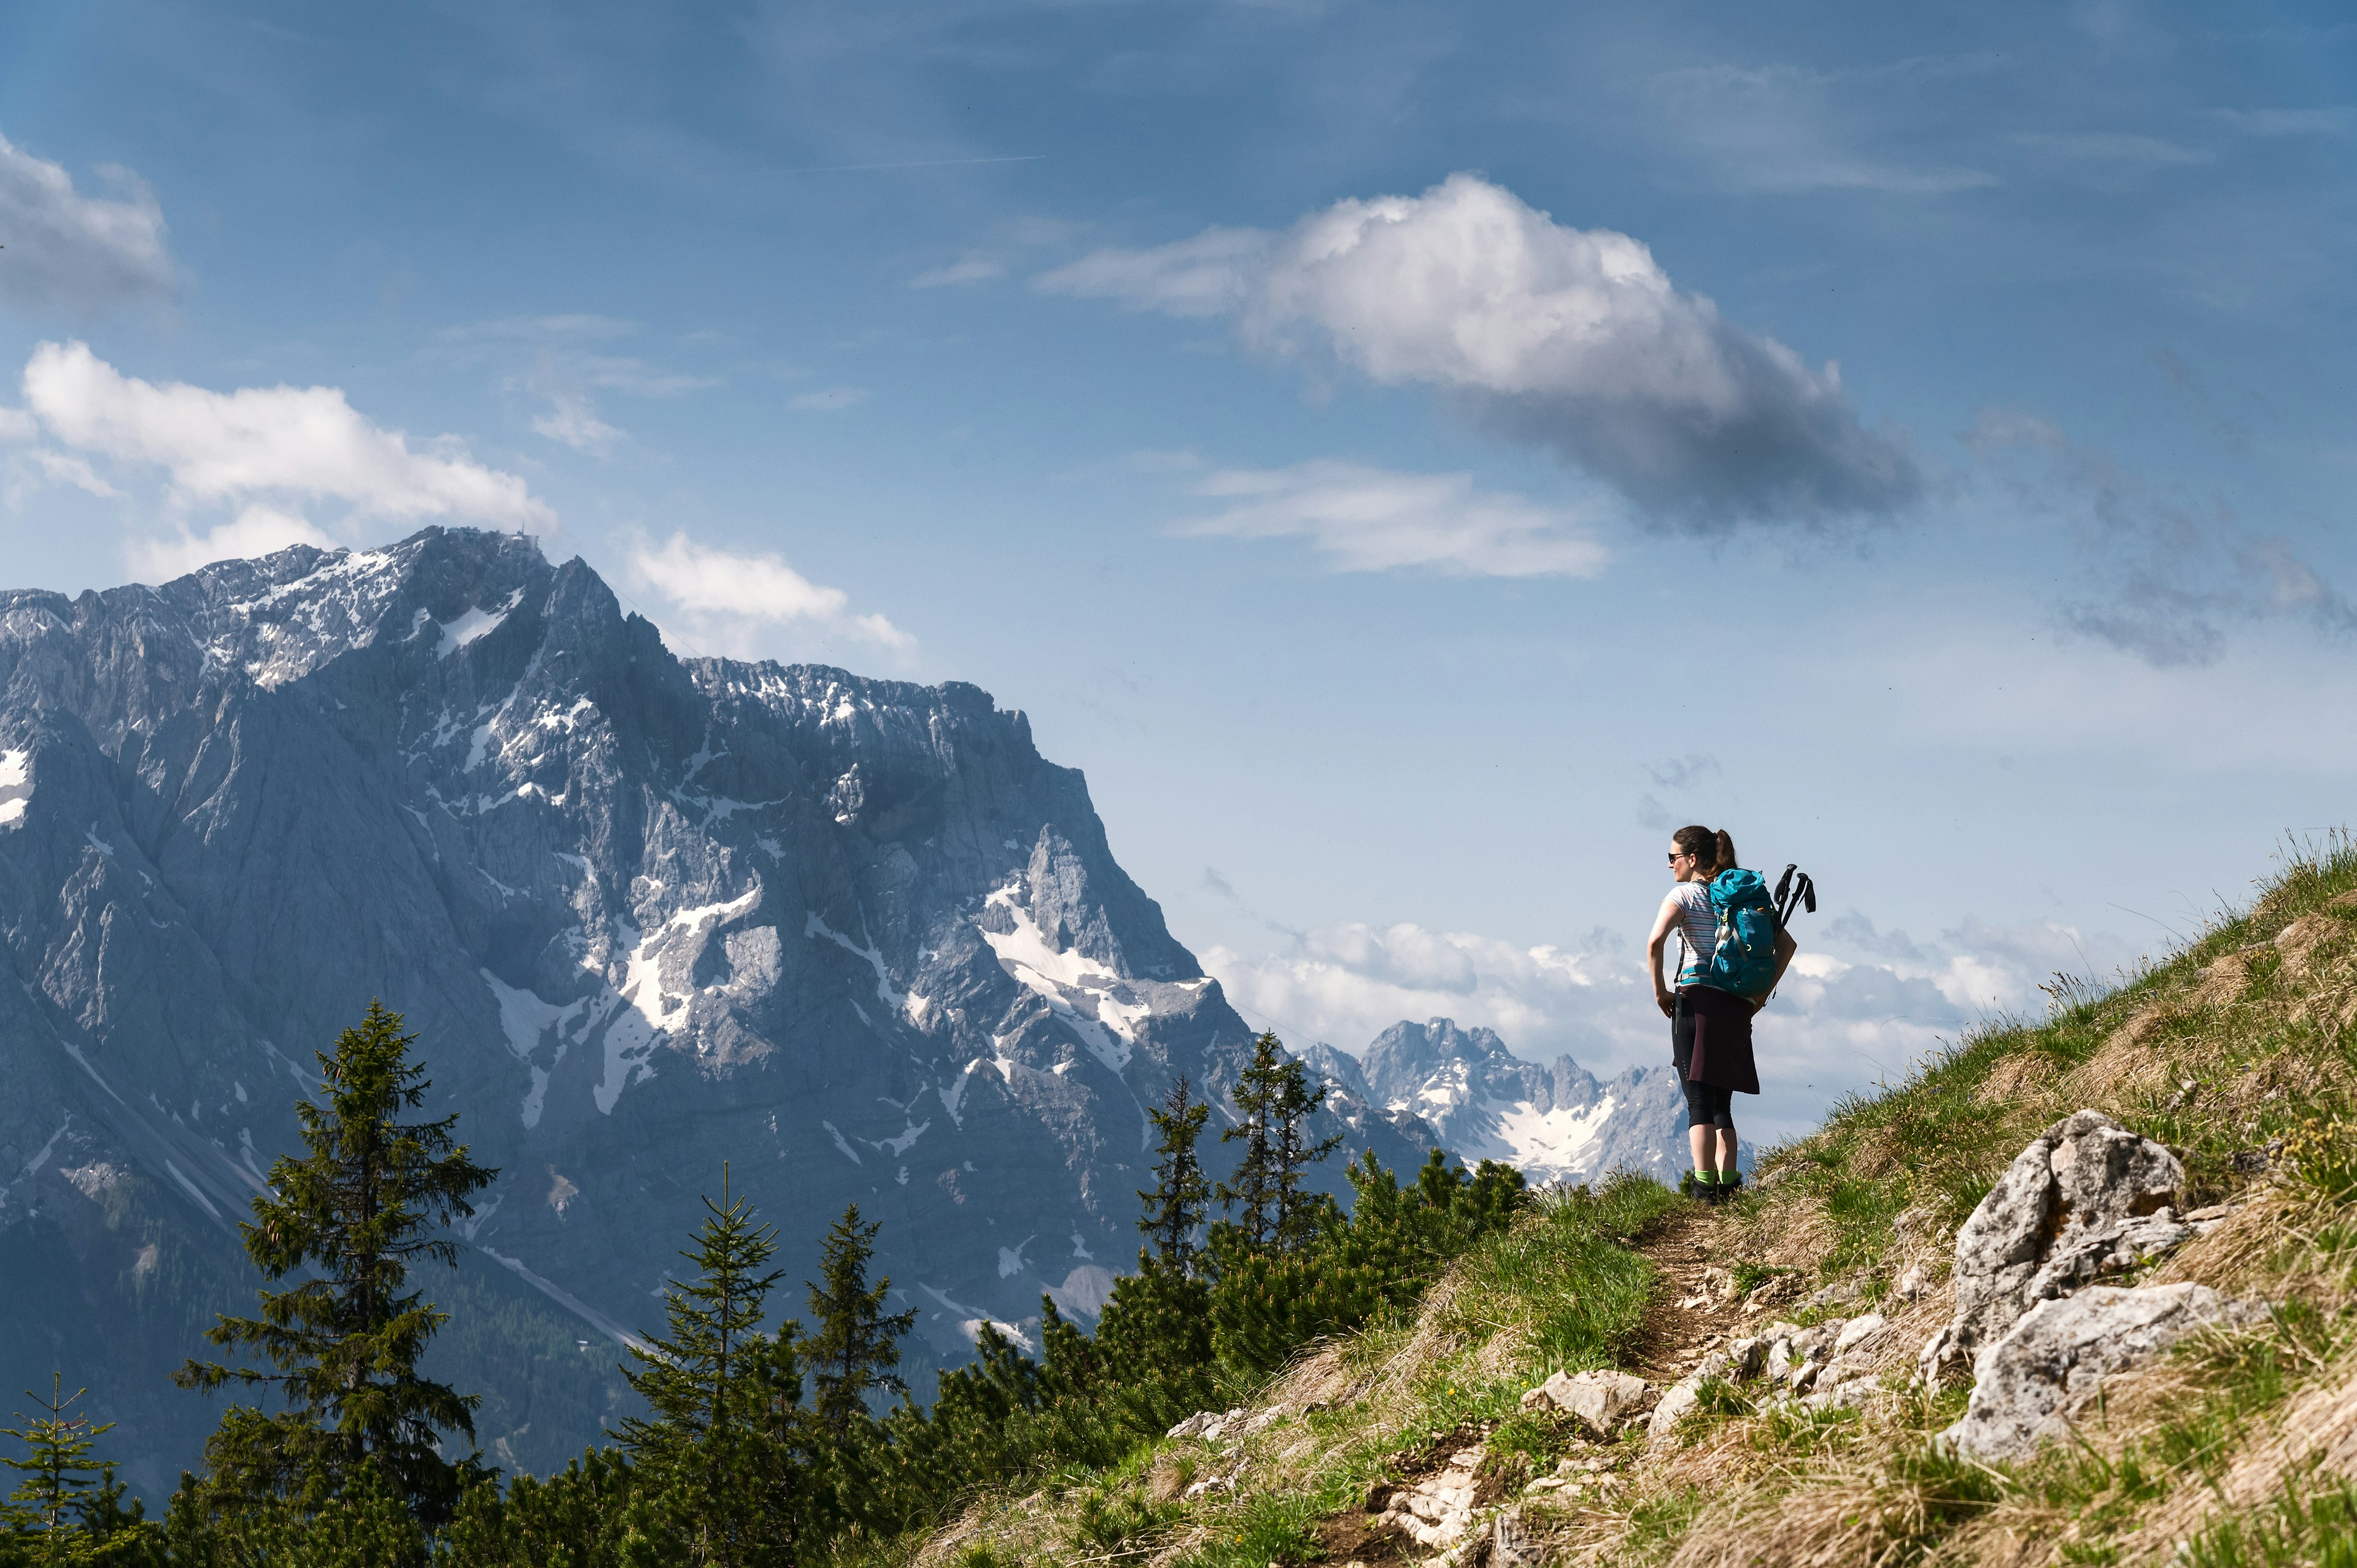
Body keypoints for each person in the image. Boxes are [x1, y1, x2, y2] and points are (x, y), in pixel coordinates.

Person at [1643, 825, 1797, 1202]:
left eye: (1672, 858)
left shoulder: (1685, 894)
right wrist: (1758, 997)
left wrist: (1661, 992)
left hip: (1695, 1001)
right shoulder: (1735, 896)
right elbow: (1787, 946)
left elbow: (1655, 941)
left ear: (1692, 859)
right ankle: (1729, 1187)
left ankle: (1702, 1188)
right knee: (1722, 1104)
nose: (1669, 866)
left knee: (1698, 1101)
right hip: (1733, 1004)